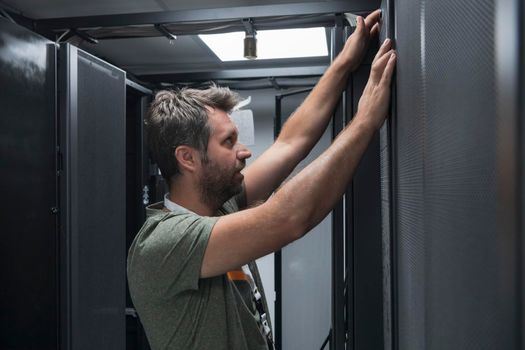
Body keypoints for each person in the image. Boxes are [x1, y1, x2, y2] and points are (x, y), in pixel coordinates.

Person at [127, 9, 396, 350]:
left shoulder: (219, 205)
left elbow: (290, 143)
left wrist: (343, 64)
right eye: (228, 142)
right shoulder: (163, 243)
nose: (244, 152)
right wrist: (364, 122)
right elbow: (289, 217)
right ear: (187, 158)